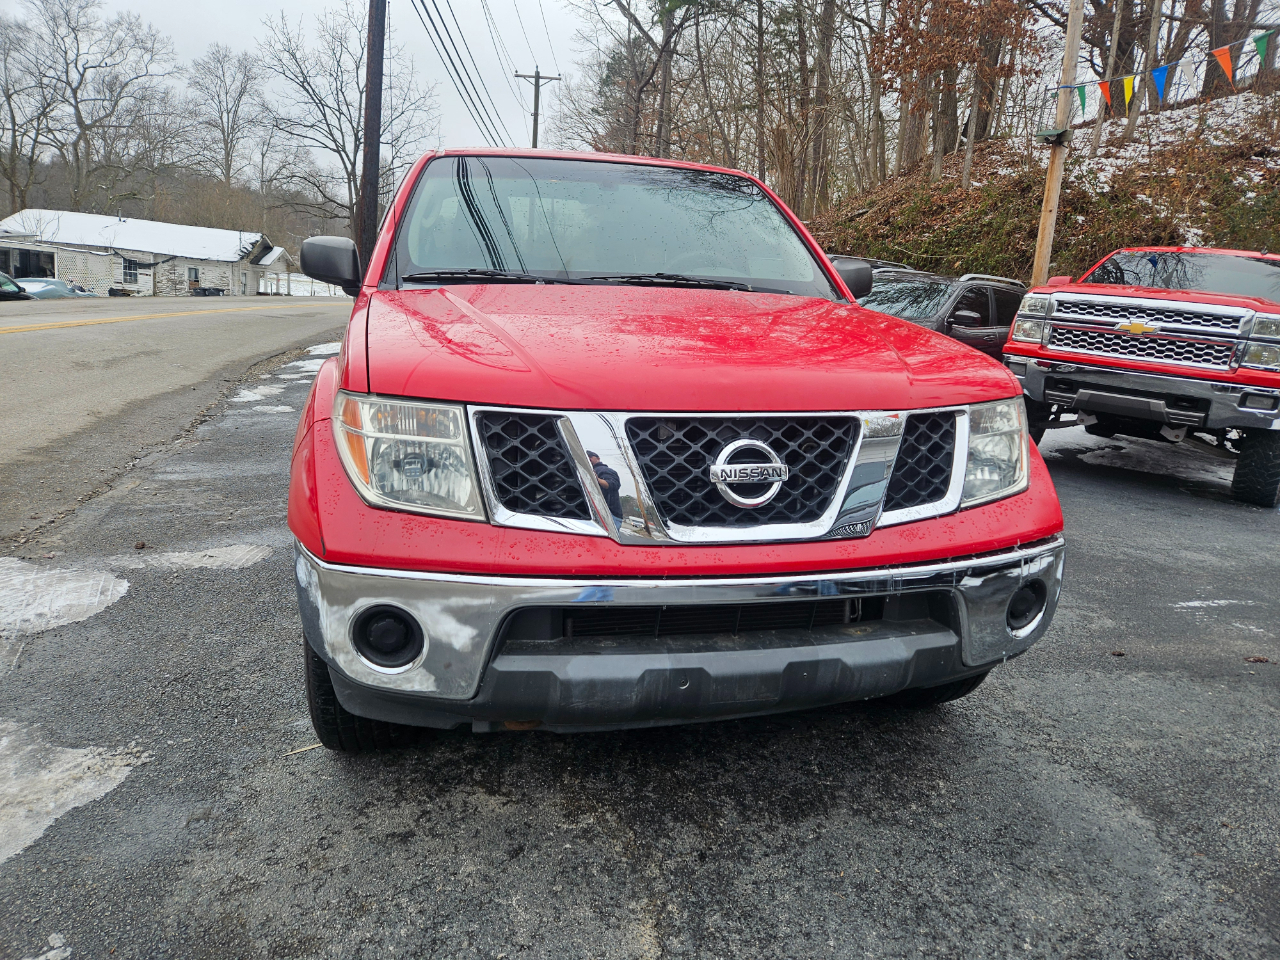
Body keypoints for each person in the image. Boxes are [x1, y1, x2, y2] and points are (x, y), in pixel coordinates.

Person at [586, 451, 624, 525]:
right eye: (586, 457)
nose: (588, 458)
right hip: (594, 512)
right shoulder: (586, 470)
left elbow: (613, 484)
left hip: (609, 514)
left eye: (590, 456)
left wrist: (597, 479)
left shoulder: (605, 470)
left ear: (598, 458)